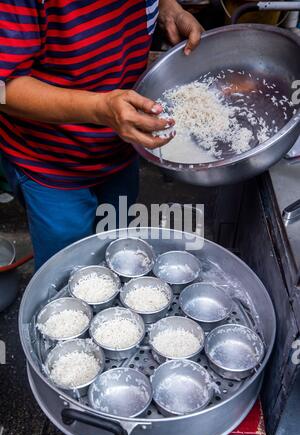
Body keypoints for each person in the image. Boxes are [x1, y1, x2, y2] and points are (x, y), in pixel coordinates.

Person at [0, 0, 203, 269]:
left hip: (120, 146)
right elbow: (4, 90)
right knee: (66, 269)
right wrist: (100, 108)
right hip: (51, 162)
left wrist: (168, 8)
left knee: (115, 244)